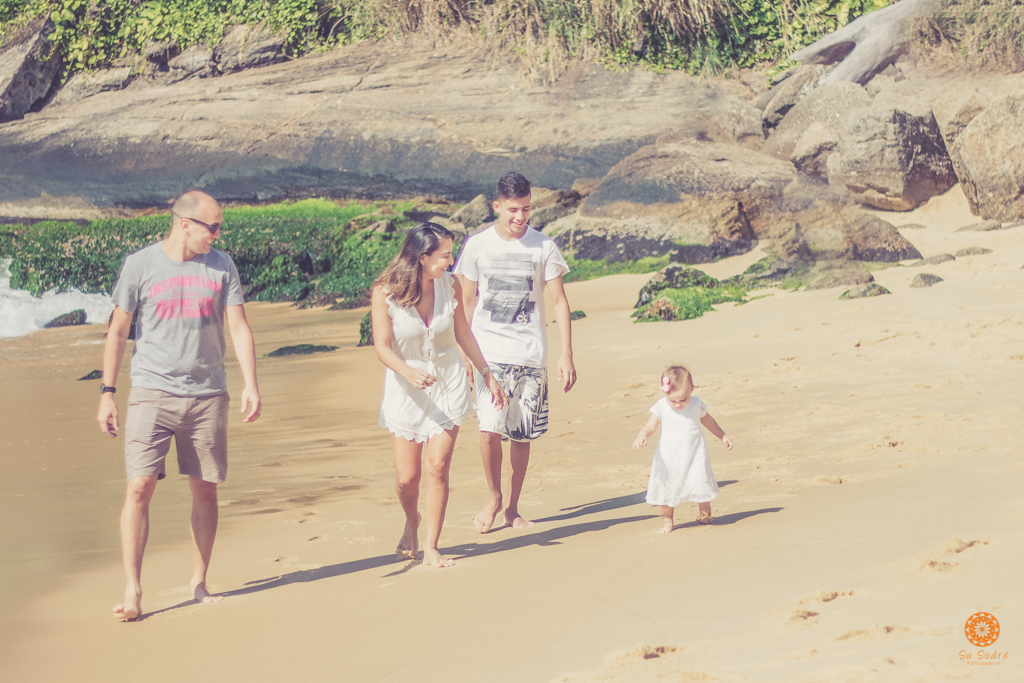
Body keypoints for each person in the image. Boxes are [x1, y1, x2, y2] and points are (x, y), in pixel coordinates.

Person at [97, 190, 261, 620]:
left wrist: (251, 384)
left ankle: (199, 581)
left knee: (204, 488)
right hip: (151, 391)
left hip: (208, 393)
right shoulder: (140, 265)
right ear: (185, 223)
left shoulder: (222, 265)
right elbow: (117, 332)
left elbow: (240, 328)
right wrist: (108, 393)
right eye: (214, 227)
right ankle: (133, 590)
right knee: (138, 487)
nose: (218, 234)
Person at [371, 222, 506, 567]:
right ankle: (412, 518)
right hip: (406, 387)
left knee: (437, 467)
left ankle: (431, 546)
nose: (451, 260)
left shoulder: (451, 286)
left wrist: (487, 374)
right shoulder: (385, 292)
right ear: (422, 257)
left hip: (447, 383)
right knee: (407, 478)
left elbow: (463, 332)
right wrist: (408, 372)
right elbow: (382, 347)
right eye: (445, 255)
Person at [454, 171, 577, 533]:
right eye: (512, 210)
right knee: (490, 430)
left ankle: (512, 506)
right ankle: (493, 497)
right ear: (497, 206)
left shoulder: (544, 247)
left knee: (521, 435)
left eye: (525, 209)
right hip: (488, 355)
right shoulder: (477, 246)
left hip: (530, 355)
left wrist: (566, 353)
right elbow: (467, 301)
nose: (520, 217)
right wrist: (466, 353)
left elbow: (559, 302)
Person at [632, 365, 732, 533]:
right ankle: (667, 522)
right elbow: (651, 426)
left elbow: (708, 421)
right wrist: (642, 435)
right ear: (665, 393)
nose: (678, 404)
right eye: (673, 400)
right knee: (666, 489)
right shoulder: (662, 406)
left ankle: (705, 515)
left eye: (683, 399)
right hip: (669, 456)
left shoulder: (696, 404)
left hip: (694, 453)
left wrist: (722, 435)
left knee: (700, 481)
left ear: (692, 389)